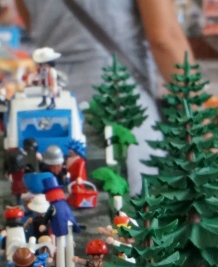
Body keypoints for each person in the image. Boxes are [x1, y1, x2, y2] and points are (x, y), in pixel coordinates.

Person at [17, 0, 193, 194]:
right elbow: (164, 39)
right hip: (123, 105)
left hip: (54, 111)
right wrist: (199, 121)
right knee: (136, 202)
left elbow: (32, 24)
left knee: (61, 200)